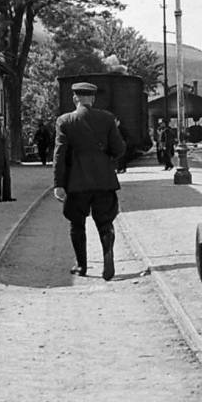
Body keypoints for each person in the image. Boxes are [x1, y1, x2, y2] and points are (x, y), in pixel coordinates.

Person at [53, 81, 125, 280]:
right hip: (104, 180)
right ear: (92, 98)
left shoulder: (65, 121)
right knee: (105, 221)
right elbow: (119, 149)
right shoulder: (108, 118)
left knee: (77, 224)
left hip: (77, 182)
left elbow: (59, 154)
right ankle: (107, 251)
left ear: (75, 98)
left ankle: (81, 265)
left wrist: (58, 183)